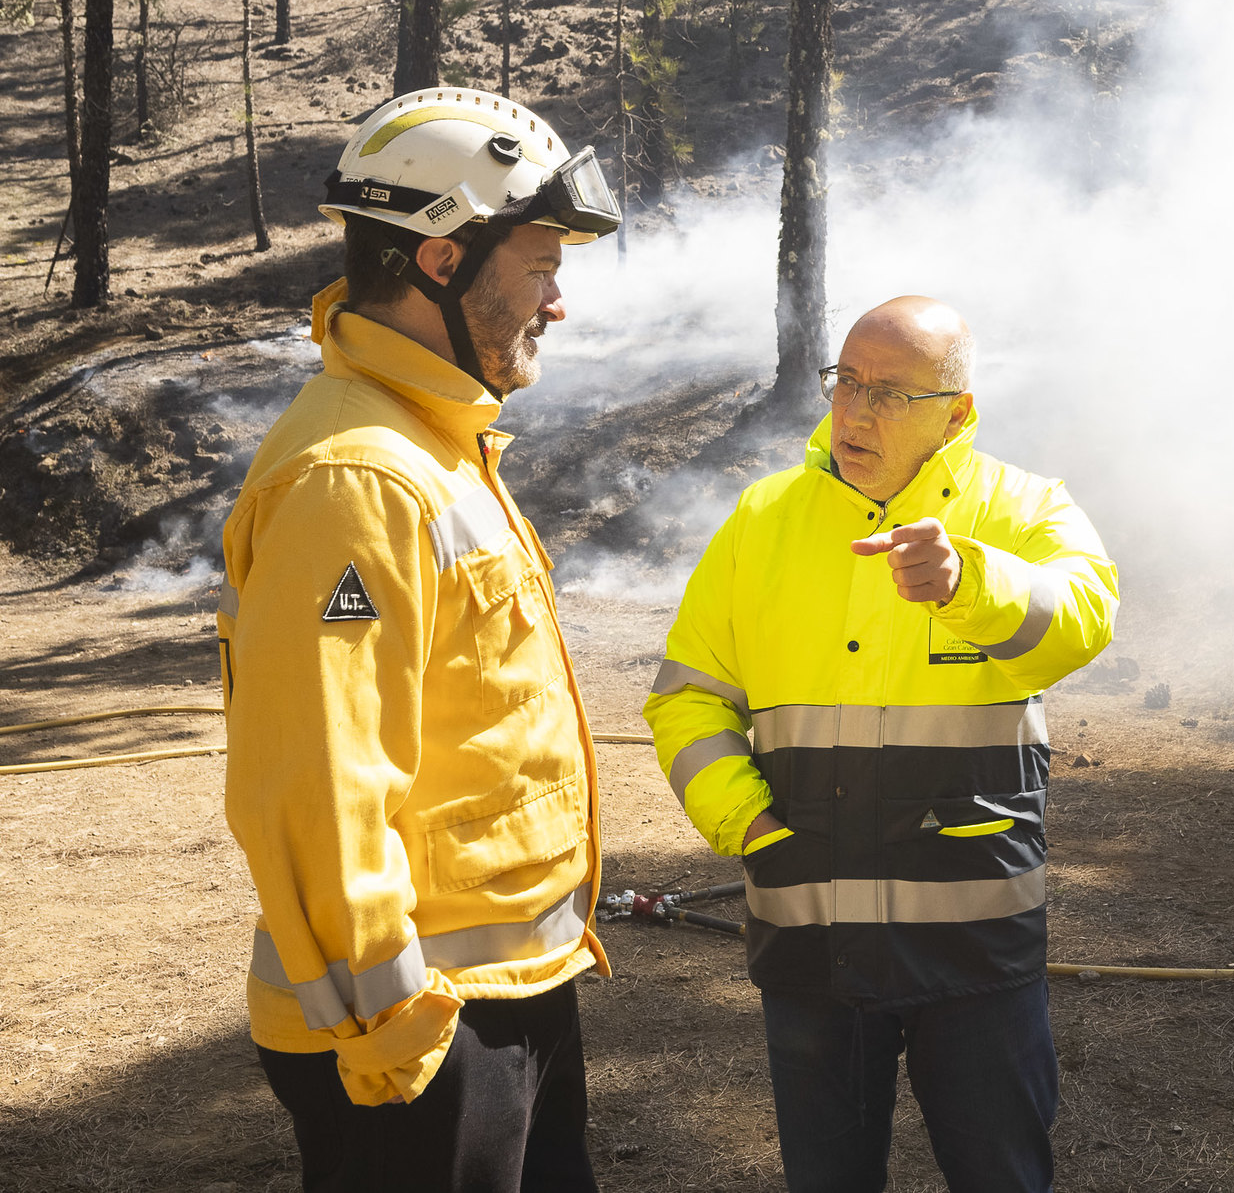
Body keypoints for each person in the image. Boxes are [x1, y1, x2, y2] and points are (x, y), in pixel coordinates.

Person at [219, 87, 623, 1191]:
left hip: (509, 997)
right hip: (419, 1036)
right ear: (442, 261)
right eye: (540, 266)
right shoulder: (355, 477)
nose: (557, 301)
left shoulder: (434, 447)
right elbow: (315, 787)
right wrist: (392, 1030)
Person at [644, 296, 1118, 1193]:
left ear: (958, 411)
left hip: (975, 947)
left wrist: (967, 581)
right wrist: (749, 826)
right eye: (847, 382)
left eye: (892, 394)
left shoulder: (1024, 507)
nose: (856, 411)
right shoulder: (763, 519)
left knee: (1002, 1177)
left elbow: (1083, 620)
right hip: (809, 937)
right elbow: (688, 699)